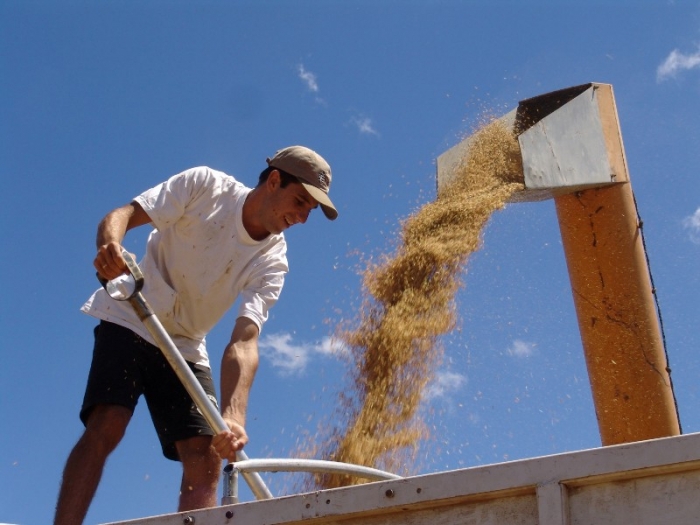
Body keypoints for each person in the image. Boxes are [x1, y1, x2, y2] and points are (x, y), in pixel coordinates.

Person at [53, 146, 338, 524]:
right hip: (134, 312)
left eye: (310, 212)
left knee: (207, 453)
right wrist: (110, 248)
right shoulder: (206, 186)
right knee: (109, 421)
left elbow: (244, 340)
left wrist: (233, 417)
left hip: (186, 342)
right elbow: (121, 215)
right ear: (273, 181)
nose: (302, 217)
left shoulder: (272, 259)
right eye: (300, 201)